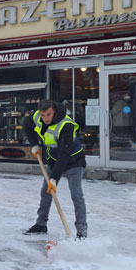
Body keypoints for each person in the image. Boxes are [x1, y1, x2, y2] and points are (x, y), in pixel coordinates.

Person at [23, 100, 88, 239]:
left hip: (73, 161)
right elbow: (26, 125)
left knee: (76, 194)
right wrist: (34, 145)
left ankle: (82, 231)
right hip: (53, 161)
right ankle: (41, 224)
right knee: (45, 192)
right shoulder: (37, 117)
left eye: (49, 114)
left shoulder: (66, 125)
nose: (45, 118)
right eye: (43, 115)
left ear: (55, 112)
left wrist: (54, 178)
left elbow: (64, 154)